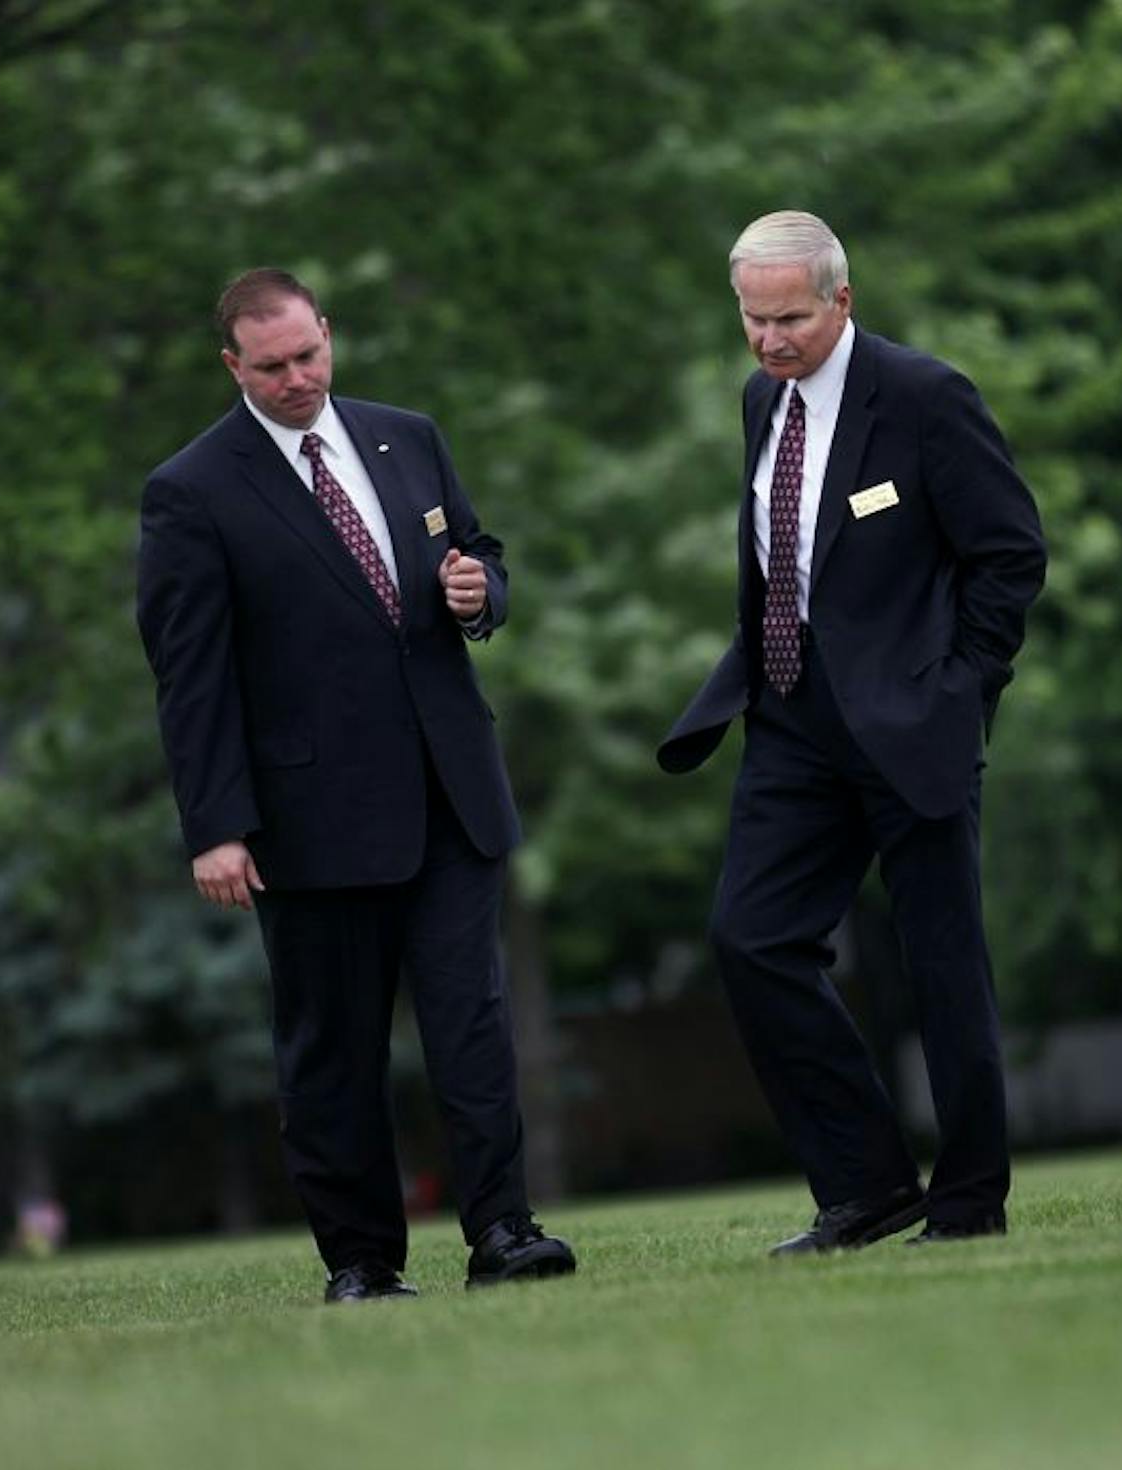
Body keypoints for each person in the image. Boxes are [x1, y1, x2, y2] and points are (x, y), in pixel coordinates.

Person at [136, 269, 574, 1301]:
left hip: (448, 790)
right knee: (334, 1050)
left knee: (472, 1023)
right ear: (232, 365)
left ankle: (504, 1234)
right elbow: (189, 678)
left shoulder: (406, 435)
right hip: (307, 819)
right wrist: (216, 827)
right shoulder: (192, 491)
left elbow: (480, 557)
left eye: (310, 355)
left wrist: (479, 592)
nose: (298, 379)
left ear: (327, 334)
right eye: (274, 365)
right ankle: (363, 1262)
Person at [659, 212, 1047, 1254]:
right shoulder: (759, 402)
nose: (771, 339)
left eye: (789, 317)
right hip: (791, 719)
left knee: (941, 966)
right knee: (751, 939)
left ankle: (969, 1203)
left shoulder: (924, 397)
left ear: (843, 299)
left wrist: (960, 688)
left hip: (914, 722)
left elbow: (1009, 555)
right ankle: (867, 1185)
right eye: (753, 318)